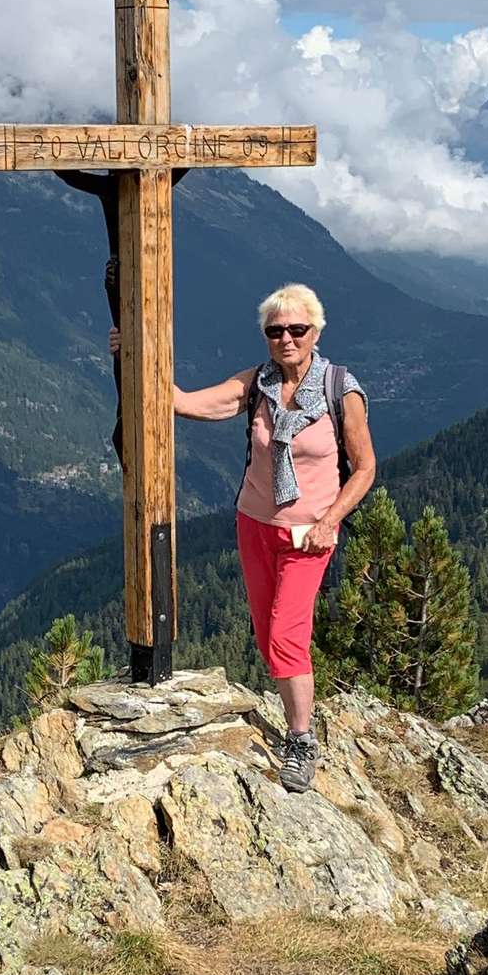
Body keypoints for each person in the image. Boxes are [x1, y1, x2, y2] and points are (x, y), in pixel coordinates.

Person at [172, 283, 376, 792]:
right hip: (255, 526)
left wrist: (330, 521)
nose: (286, 338)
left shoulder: (341, 390)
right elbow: (186, 404)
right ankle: (297, 715)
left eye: (297, 329)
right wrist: (128, 354)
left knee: (286, 635)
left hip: (310, 536)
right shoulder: (256, 385)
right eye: (275, 330)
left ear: (316, 332)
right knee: (268, 636)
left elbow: (364, 468)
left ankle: (301, 740)